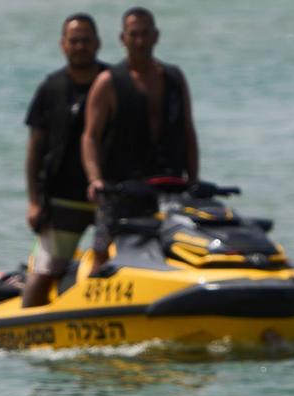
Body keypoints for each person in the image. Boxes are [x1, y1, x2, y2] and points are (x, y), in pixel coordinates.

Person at [81, 7, 199, 272]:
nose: (140, 41)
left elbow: (188, 132)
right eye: (134, 34)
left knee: (175, 246)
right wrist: (95, 179)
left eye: (146, 34)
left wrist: (193, 179)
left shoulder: (174, 78)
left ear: (156, 36)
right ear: (123, 38)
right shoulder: (108, 82)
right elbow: (90, 137)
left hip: (169, 184)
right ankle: (93, 286)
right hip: (120, 188)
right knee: (103, 248)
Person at [22, 13, 108, 307]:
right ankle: (26, 323)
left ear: (97, 43)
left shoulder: (112, 82)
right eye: (74, 41)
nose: (80, 46)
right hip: (61, 198)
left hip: (106, 196)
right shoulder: (51, 87)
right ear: (63, 45)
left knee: (110, 268)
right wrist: (34, 201)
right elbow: (35, 149)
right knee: (45, 271)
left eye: (86, 40)